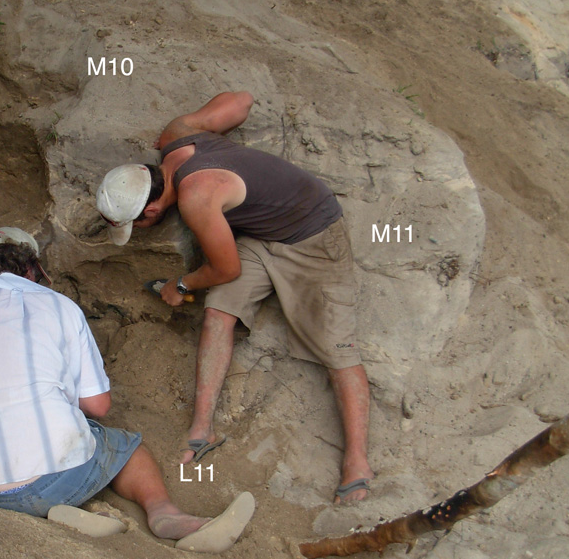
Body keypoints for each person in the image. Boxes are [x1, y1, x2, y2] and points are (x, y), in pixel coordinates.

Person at [96, 91, 372, 503]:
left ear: (150, 212)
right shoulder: (177, 135)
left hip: (312, 235)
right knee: (218, 313)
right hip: (260, 233)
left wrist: (181, 285)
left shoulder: (196, 198)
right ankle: (202, 429)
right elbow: (241, 101)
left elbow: (226, 270)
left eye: (136, 224)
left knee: (336, 349)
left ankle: (358, 464)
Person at [0, 227, 254, 551]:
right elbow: (98, 405)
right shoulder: (59, 306)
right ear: (32, 268)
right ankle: (164, 514)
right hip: (52, 481)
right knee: (125, 447)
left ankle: (63, 514)